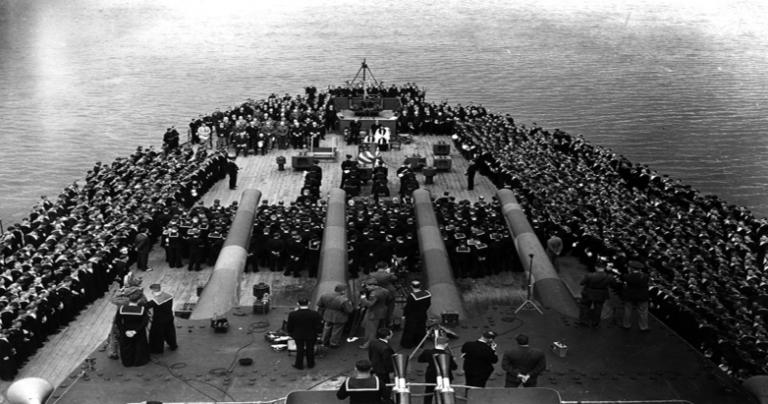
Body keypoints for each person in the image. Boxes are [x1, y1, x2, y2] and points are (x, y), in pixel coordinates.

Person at [418, 335, 457, 404]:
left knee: (428, 392)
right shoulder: (447, 355)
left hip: (431, 375)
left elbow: (420, 360)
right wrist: (453, 359)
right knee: (444, 392)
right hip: (445, 376)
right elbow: (454, 367)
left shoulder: (427, 352)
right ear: (446, 344)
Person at [286, 297, 322, 369]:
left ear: (298, 304)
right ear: (308, 303)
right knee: (310, 349)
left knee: (300, 350)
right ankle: (310, 364)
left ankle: (299, 365)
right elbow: (318, 326)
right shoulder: (315, 314)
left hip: (298, 335)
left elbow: (289, 326)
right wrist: (319, 333)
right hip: (311, 335)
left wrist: (290, 333)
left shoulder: (292, 314)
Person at [116, 292, 150, 367]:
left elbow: (118, 321)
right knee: (139, 346)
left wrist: (124, 331)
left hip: (126, 330)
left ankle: (128, 362)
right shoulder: (142, 310)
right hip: (139, 332)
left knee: (127, 347)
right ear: (138, 301)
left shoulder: (121, 309)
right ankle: (138, 362)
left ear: (129, 300)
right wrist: (135, 331)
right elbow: (144, 322)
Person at [146, 283, 178, 354]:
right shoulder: (168, 296)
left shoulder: (156, 301)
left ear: (154, 290)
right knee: (170, 333)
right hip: (169, 317)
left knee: (157, 335)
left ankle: (157, 350)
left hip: (159, 320)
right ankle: (173, 345)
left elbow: (146, 306)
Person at [358, 278, 389, 349]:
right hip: (382, 310)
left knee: (371, 330)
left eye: (368, 286)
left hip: (374, 313)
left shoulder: (374, 294)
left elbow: (369, 304)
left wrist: (363, 297)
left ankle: (368, 344)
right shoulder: (384, 290)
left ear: (373, 285)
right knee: (376, 327)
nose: (367, 288)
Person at [400, 280, 431, 349]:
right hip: (423, 314)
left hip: (412, 316)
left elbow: (408, 307)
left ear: (411, 286)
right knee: (421, 329)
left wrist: (404, 315)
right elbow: (428, 304)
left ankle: (408, 345)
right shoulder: (427, 293)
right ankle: (419, 343)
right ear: (420, 286)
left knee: (410, 330)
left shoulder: (412, 296)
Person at [621, 261, 650, 331]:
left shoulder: (627, 276)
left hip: (630, 296)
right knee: (643, 311)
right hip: (642, 296)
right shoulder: (645, 276)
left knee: (627, 310)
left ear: (631, 268)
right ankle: (644, 326)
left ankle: (626, 325)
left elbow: (624, 278)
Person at [367, 328, 395, 401]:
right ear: (387, 336)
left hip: (375, 365)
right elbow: (387, 362)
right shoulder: (386, 348)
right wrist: (391, 371)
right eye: (391, 333)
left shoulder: (373, 342)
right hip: (383, 370)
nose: (392, 334)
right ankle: (385, 397)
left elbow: (370, 354)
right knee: (385, 384)